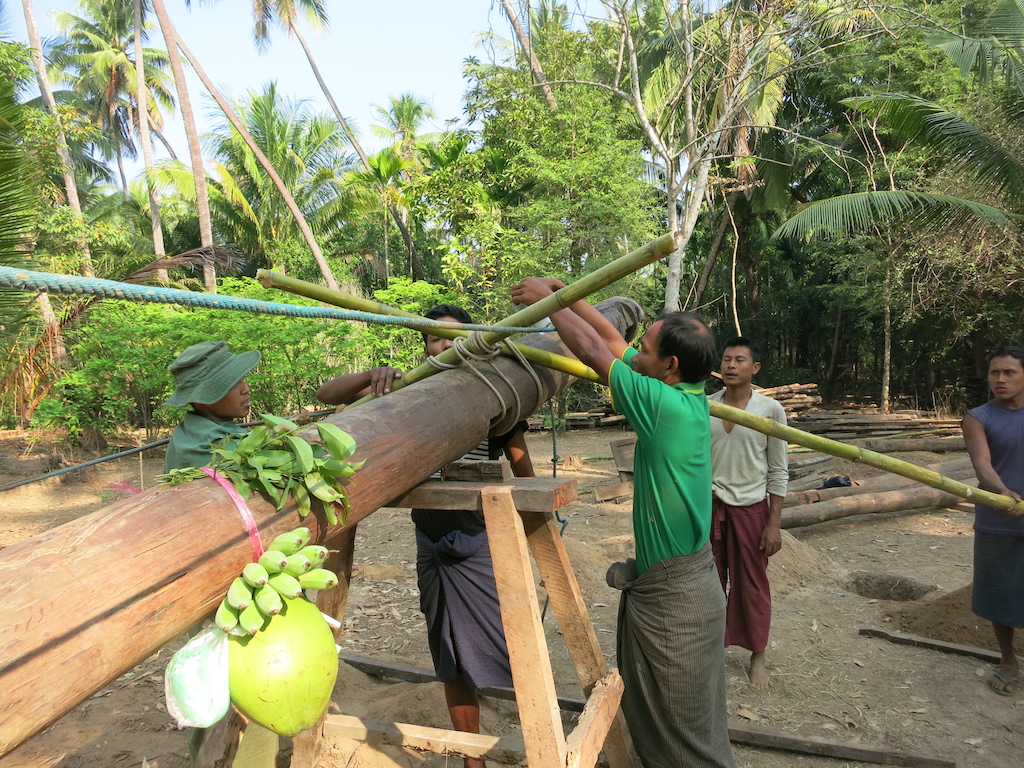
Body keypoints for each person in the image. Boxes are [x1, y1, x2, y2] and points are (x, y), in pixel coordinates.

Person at [510, 278, 735, 768]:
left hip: (679, 601)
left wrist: (548, 306)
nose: (638, 353)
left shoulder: (663, 406)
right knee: (669, 719)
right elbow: (614, 344)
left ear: (670, 367)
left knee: (685, 733)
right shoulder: (682, 392)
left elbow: (594, 348)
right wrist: (569, 295)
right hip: (684, 590)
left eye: (649, 349)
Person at [317, 304, 535, 768]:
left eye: (456, 337)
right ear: (426, 349)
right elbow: (325, 392)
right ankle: (471, 757)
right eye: (436, 340)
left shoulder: (495, 395)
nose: (446, 346)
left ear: (475, 342)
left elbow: (523, 468)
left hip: (479, 540)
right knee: (450, 650)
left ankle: (537, 737)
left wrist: (535, 523)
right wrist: (372, 377)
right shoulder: (410, 392)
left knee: (510, 642)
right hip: (430, 540)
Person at [164, 340, 278, 768]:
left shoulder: (218, 431)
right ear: (204, 398)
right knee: (237, 688)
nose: (246, 388)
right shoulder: (207, 444)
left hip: (229, 574)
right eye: (233, 383)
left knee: (237, 687)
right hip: (217, 582)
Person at [708, 337, 787, 690]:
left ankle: (758, 656)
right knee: (708, 584)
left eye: (740, 360)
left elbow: (778, 469)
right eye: (726, 359)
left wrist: (774, 523)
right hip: (708, 507)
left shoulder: (770, 411)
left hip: (751, 510)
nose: (731, 365)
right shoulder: (704, 405)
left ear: (754, 368)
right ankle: (709, 653)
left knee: (752, 586)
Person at [962, 345, 1024, 697]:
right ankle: (1008, 660)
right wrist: (1002, 492)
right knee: (1000, 593)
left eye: (1009, 372)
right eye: (994, 373)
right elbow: (982, 465)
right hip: (999, 518)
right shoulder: (978, 417)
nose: (1000, 379)